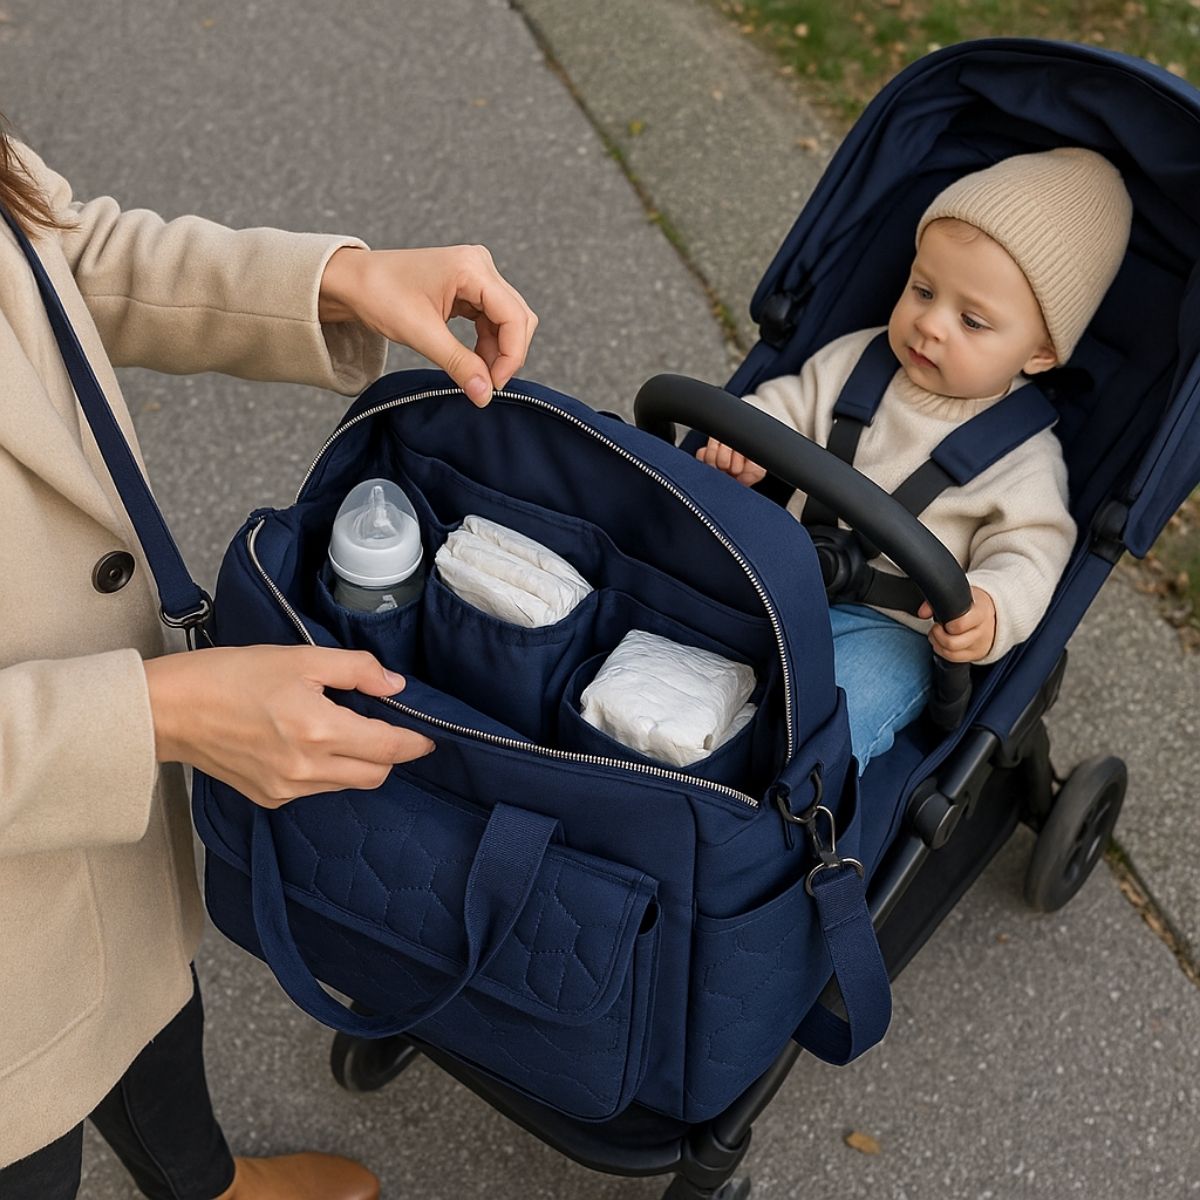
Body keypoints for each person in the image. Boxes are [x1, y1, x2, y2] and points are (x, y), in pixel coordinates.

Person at [0, 127, 536, 1200]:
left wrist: (334, 281)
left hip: (79, 845)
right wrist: (146, 719)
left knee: (142, 1000)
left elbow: (53, 256)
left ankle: (206, 1185)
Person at [699, 148, 1131, 769]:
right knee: (685, 613)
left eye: (973, 321)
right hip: (781, 571)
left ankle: (786, 793)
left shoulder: (1026, 461)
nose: (930, 325)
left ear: (1038, 353)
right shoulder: (859, 361)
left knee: (848, 706)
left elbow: (1031, 554)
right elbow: (789, 406)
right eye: (922, 289)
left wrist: (989, 605)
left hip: (893, 631)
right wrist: (748, 437)